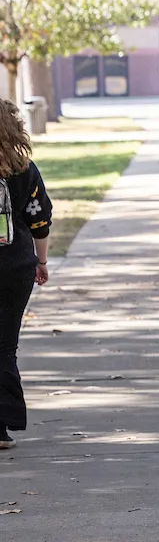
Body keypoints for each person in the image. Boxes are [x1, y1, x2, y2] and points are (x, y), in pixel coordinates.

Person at [0, 100, 53, 449]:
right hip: (15, 266)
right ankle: (1, 428)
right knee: (4, 346)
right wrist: (41, 260)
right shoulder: (23, 169)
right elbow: (40, 218)